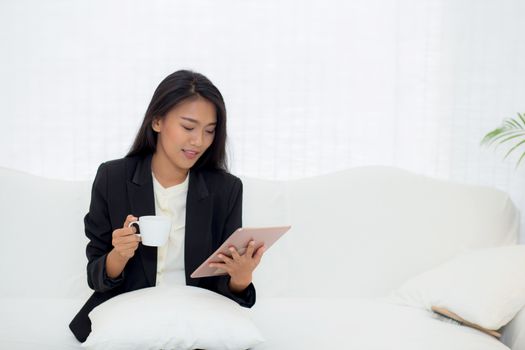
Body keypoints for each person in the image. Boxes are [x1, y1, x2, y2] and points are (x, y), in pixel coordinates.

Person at [69, 70, 265, 342]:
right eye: (188, 127)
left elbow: (223, 284)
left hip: (196, 317)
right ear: (157, 120)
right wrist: (119, 255)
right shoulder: (112, 178)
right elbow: (96, 276)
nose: (199, 141)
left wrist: (241, 277)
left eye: (210, 131)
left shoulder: (226, 189)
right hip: (129, 314)